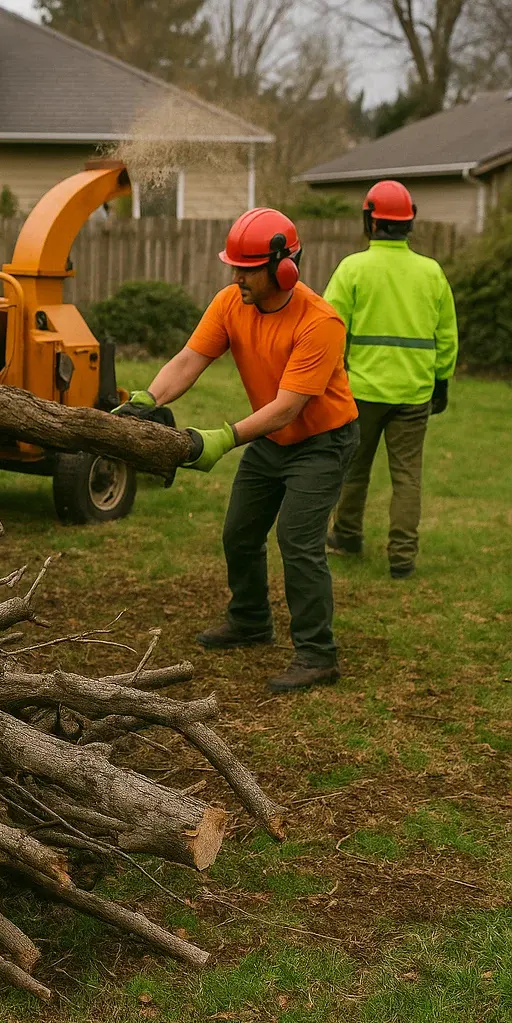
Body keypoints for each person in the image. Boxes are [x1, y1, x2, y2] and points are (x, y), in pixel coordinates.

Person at [114, 209, 359, 692]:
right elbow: (189, 359)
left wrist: (222, 438)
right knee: (240, 533)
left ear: (282, 268)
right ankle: (250, 620)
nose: (235, 276)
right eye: (234, 266)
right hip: (272, 441)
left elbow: (288, 407)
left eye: (246, 268)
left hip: (321, 443)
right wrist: (150, 397)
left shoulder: (320, 322)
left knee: (297, 541)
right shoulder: (230, 303)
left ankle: (317, 654)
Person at [323, 180, 458, 579]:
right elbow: (446, 335)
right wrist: (442, 381)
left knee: (353, 468)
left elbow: (328, 328)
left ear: (370, 219)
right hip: (415, 393)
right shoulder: (432, 273)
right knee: (407, 477)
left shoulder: (353, 268)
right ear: (409, 221)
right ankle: (402, 557)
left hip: (362, 392)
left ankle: (346, 537)